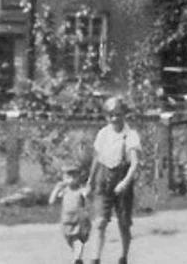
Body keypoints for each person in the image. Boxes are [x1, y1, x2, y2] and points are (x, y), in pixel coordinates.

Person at [87, 96, 141, 264]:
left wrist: (125, 182)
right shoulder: (103, 133)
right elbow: (97, 159)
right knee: (100, 222)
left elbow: (135, 163)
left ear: (124, 114)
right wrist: (90, 181)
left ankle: (123, 257)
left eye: (118, 114)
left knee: (123, 223)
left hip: (122, 179)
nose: (114, 118)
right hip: (103, 179)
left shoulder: (130, 135)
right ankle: (95, 259)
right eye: (111, 115)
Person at [49, 163, 91, 264]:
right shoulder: (64, 191)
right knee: (71, 242)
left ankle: (76, 260)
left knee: (78, 242)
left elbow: (88, 195)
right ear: (63, 178)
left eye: (74, 176)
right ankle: (77, 258)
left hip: (78, 221)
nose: (71, 179)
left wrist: (89, 187)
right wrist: (56, 189)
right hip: (66, 222)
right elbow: (51, 201)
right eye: (68, 177)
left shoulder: (81, 190)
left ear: (79, 177)